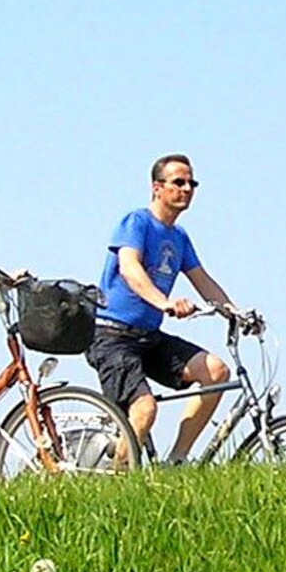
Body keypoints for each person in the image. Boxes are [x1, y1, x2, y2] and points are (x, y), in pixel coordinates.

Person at [86, 154, 236, 463]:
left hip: (148, 337)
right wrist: (164, 302)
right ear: (157, 188)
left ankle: (176, 460)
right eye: (178, 182)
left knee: (216, 371)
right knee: (145, 409)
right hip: (111, 335)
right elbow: (130, 268)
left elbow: (202, 280)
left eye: (191, 183)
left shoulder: (179, 237)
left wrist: (235, 312)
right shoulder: (137, 222)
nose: (187, 188)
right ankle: (118, 484)